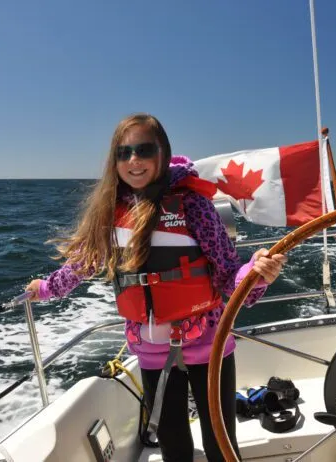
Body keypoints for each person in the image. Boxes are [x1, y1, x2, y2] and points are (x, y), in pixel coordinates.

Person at [25, 113, 286, 461]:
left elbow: (228, 276)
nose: (134, 160)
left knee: (220, 444)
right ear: (114, 160)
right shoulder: (111, 211)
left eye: (144, 149)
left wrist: (256, 274)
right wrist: (46, 289)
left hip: (208, 344)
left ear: (162, 153)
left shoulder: (193, 205)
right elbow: (83, 264)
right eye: (124, 152)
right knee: (172, 444)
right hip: (150, 347)